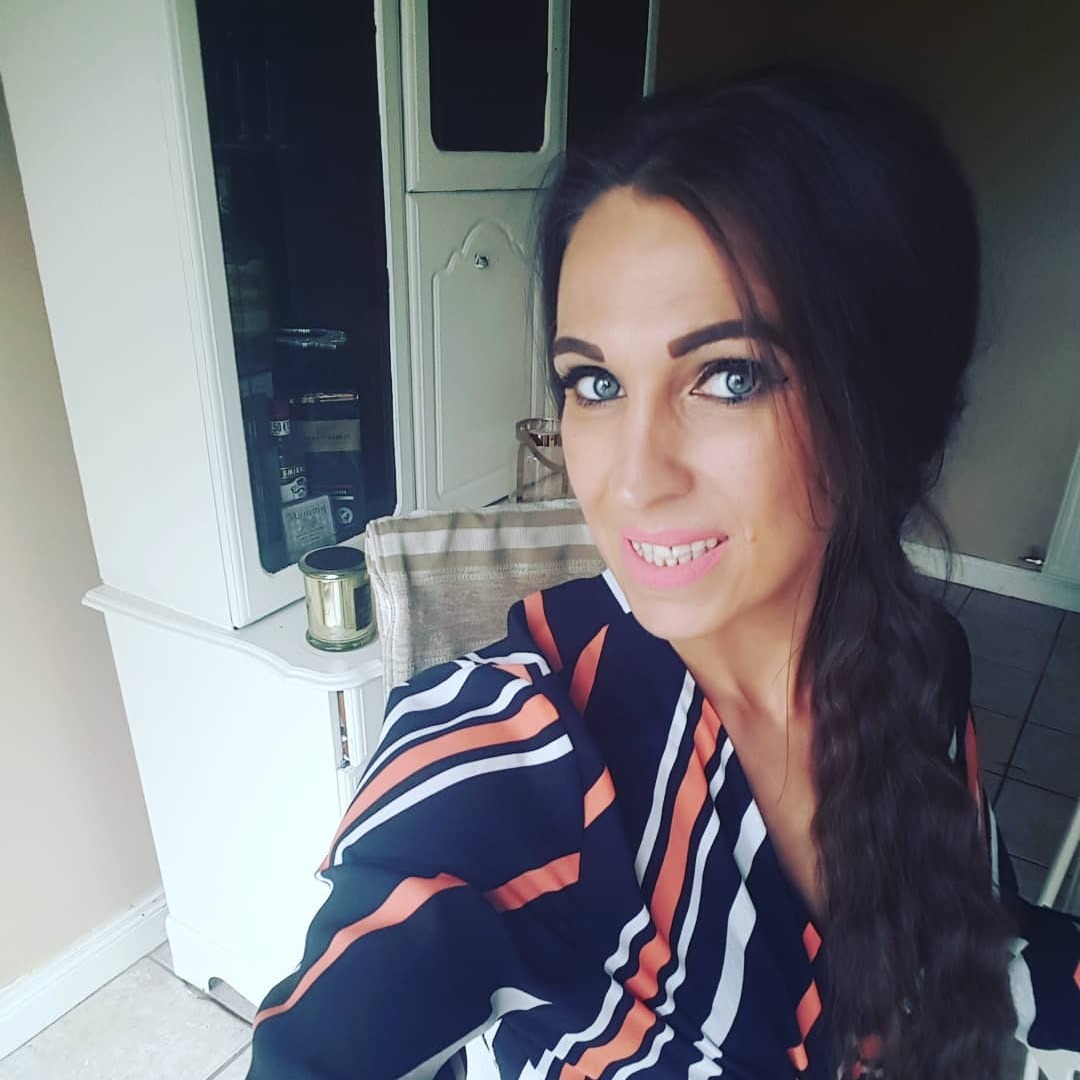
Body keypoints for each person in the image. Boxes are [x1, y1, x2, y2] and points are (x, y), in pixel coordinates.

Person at [246, 64, 1080, 1080]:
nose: (632, 480)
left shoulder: (919, 659)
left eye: (729, 377)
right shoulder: (513, 754)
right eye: (595, 382)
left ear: (885, 408)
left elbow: (970, 952)